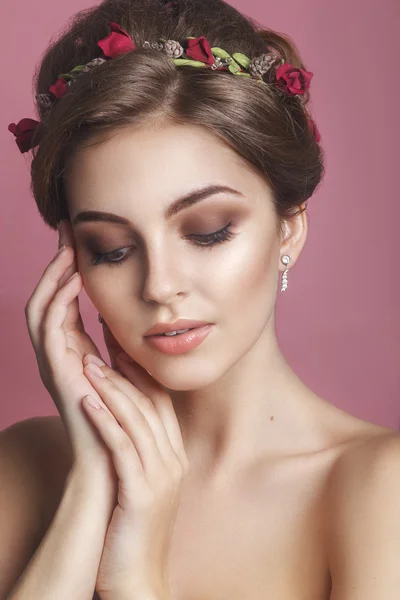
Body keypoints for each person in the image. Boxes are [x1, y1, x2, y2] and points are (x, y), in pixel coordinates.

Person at [2, 0, 399, 599]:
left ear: (288, 226)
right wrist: (92, 488)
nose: (160, 286)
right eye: (110, 248)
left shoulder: (377, 488)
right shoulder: (24, 466)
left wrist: (134, 575)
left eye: (208, 230)